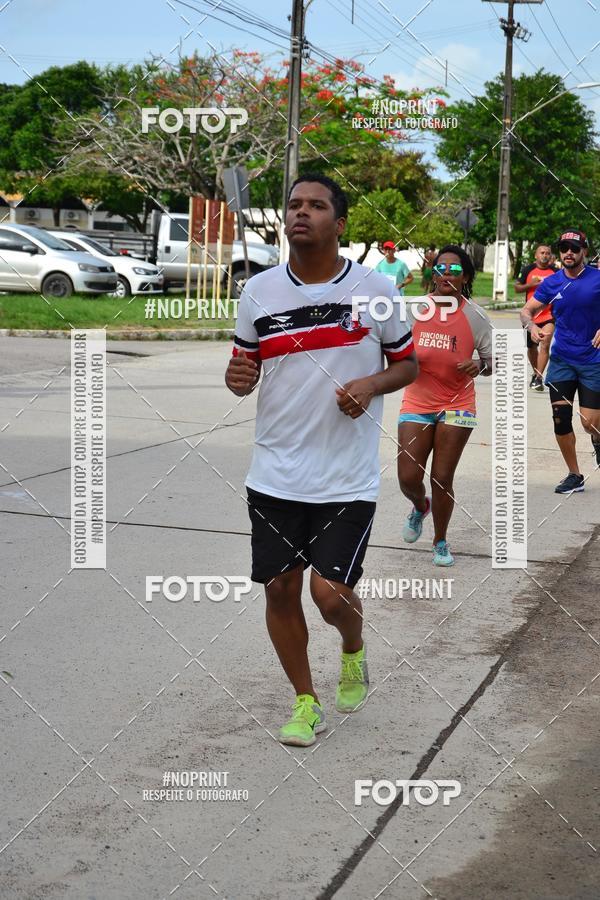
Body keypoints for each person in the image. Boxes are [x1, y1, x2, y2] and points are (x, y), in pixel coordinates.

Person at [225, 174, 418, 747]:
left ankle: (353, 648)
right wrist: (236, 378)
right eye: (294, 204)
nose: (300, 212)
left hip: (346, 476)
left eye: (316, 205)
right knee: (281, 589)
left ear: (341, 222)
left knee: (329, 595)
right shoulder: (258, 291)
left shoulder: (376, 288)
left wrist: (372, 382)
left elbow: (406, 365)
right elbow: (244, 371)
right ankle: (305, 700)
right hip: (275, 470)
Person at [397, 245, 493, 566]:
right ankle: (419, 506)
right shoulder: (415, 309)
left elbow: (495, 361)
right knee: (408, 476)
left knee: (441, 476)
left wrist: (479, 365)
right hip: (418, 399)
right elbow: (394, 347)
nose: (446, 274)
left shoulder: (475, 316)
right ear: (433, 274)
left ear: (464, 276)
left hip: (457, 403)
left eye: (454, 269)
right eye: (440, 268)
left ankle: (440, 540)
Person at [520, 229, 600, 494]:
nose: (568, 253)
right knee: (560, 418)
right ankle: (574, 475)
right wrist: (531, 325)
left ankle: (597, 441)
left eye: (574, 248)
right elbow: (527, 310)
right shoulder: (552, 282)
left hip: (593, 360)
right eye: (564, 248)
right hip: (563, 359)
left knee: (589, 423)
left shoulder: (597, 278)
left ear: (584, 252)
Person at [514, 244, 557, 391]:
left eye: (548, 253)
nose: (545, 255)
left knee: (545, 344)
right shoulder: (528, 270)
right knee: (532, 347)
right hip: (530, 316)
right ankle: (535, 372)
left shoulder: (555, 272)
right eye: (542, 253)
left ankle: (538, 377)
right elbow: (516, 288)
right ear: (536, 255)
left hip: (549, 314)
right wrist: (530, 285)